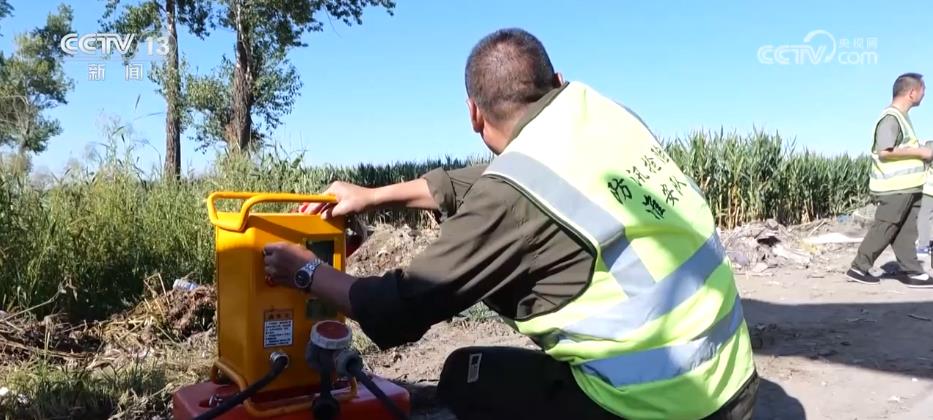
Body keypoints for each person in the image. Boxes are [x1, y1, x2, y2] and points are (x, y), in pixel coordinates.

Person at [262, 28, 759, 420]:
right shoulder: (602, 118)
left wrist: (306, 270)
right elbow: (489, 178)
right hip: (734, 384)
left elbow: (400, 306)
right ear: (556, 80)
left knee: (463, 375)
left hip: (653, 408)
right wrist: (374, 196)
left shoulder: (512, 195)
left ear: (474, 114)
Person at [847, 72, 933, 288]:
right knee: (886, 226)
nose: (925, 93)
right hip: (894, 187)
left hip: (909, 187)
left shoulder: (903, 118)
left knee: (906, 229)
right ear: (912, 92)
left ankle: (911, 270)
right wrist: (921, 152)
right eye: (923, 89)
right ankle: (859, 265)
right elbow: (884, 151)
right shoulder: (891, 118)